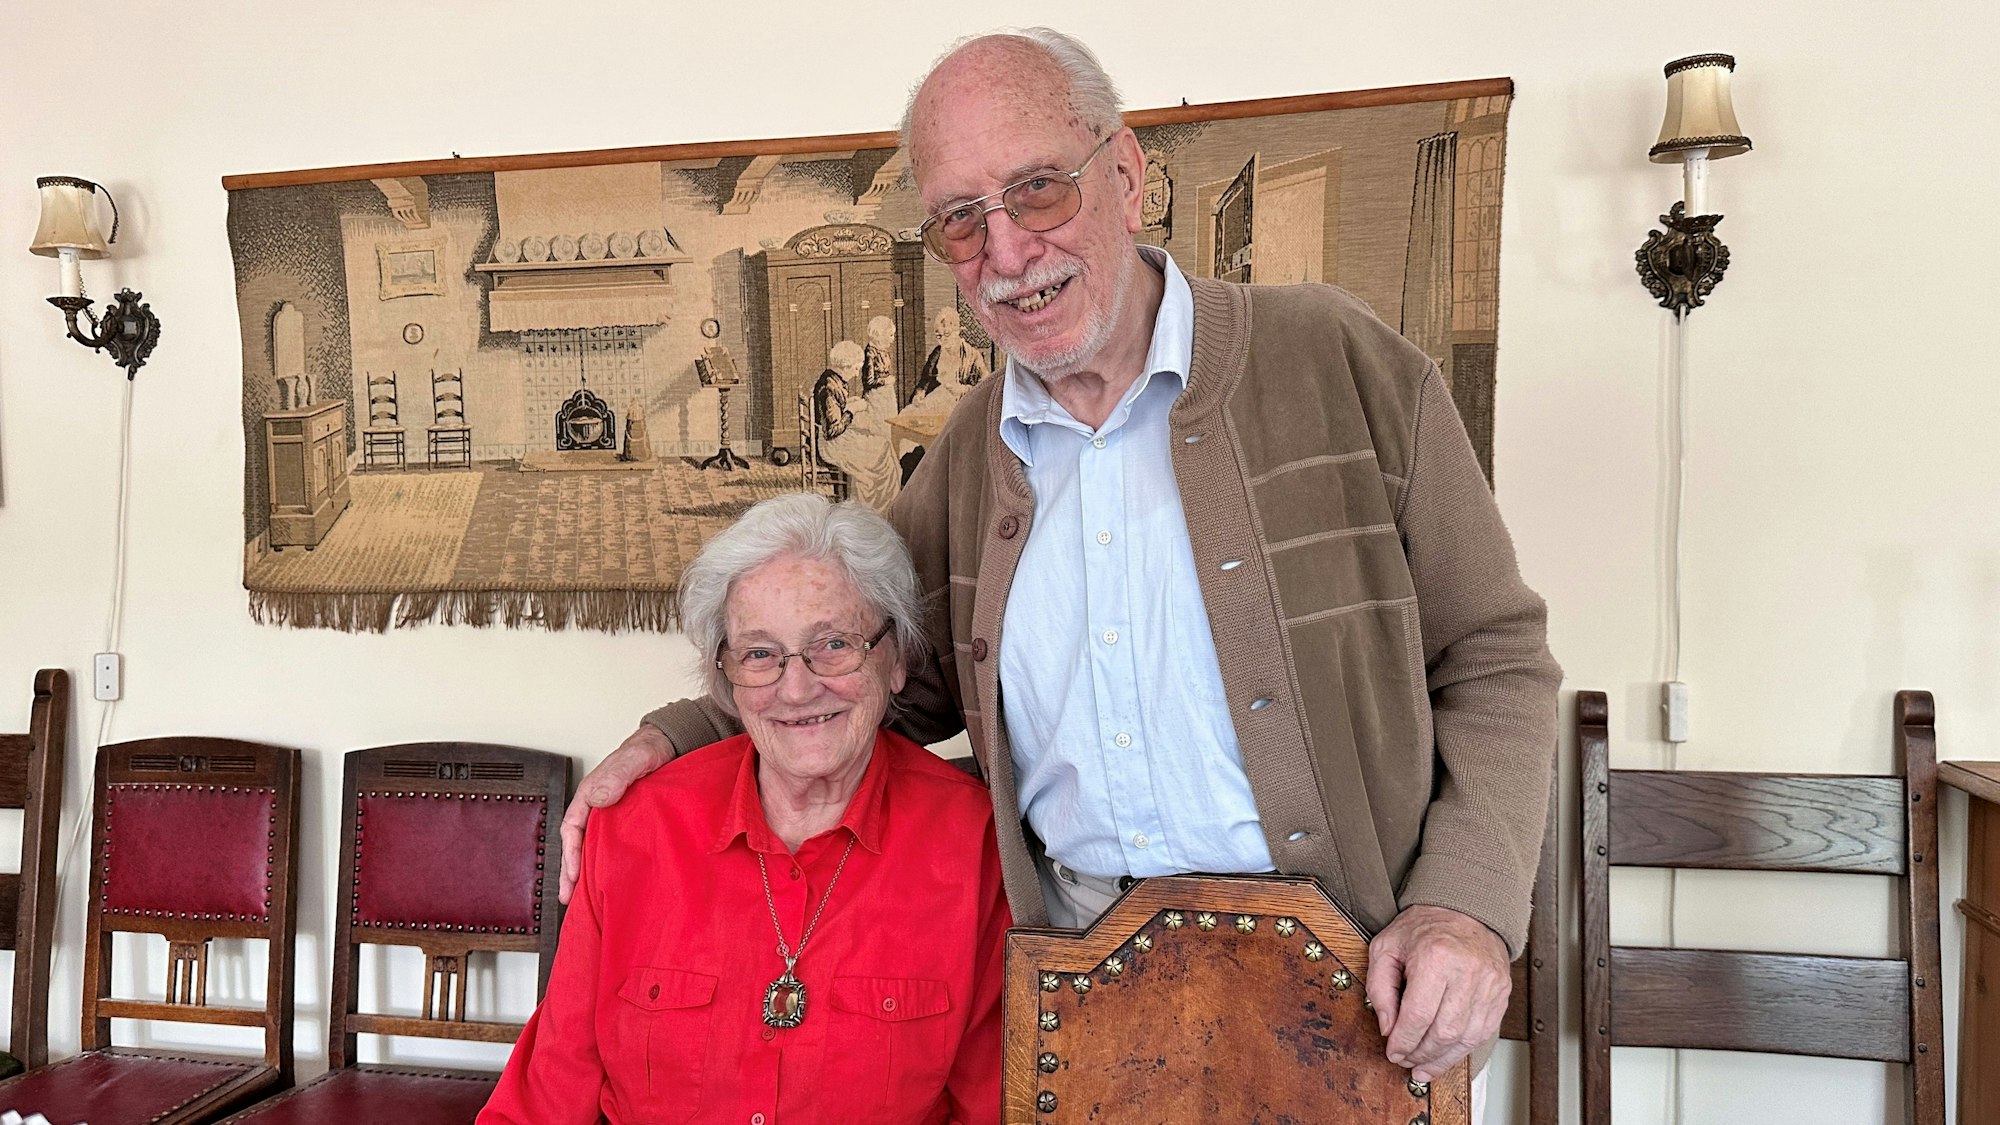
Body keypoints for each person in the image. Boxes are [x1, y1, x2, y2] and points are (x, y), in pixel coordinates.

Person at [569, 27, 1559, 1099]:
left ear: (1125, 176)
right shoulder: (966, 457)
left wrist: (1464, 904)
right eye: (960, 220)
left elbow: (1495, 656)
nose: (1006, 251)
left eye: (1037, 190)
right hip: (1076, 978)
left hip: (1353, 978)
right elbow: (849, 657)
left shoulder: (1336, 360)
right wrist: (673, 736)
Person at [482, 493, 1007, 1125]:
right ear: (726, 677)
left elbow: (992, 1106)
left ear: (895, 661)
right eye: (760, 654)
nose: (796, 687)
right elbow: (543, 1103)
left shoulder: (973, 843)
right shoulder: (635, 830)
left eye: (833, 643)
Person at [811, 340, 899, 510]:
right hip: (832, 444)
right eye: (856, 368)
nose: (858, 373)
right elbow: (832, 430)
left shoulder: (831, 379)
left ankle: (872, 502)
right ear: (845, 365)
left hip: (834, 439)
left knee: (878, 441)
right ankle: (876, 505)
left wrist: (848, 405)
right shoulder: (830, 387)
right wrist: (851, 411)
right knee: (882, 450)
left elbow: (835, 411)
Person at [911, 308, 990, 407]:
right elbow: (925, 380)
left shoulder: (973, 355)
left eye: (947, 334)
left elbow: (985, 386)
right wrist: (920, 393)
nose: (943, 339)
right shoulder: (937, 353)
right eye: (939, 336)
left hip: (962, 404)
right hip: (936, 402)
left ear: (957, 331)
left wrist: (963, 390)